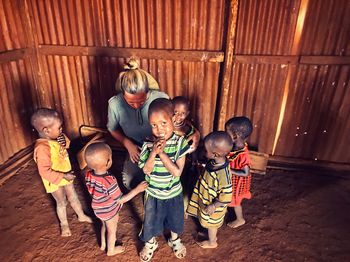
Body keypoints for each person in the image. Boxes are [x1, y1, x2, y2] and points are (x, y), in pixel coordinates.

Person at [138, 98, 190, 261]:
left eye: (163, 123)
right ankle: (150, 243)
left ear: (173, 120)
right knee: (151, 221)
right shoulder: (147, 144)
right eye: (154, 125)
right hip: (153, 194)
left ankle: (174, 240)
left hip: (173, 193)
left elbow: (176, 173)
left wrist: (161, 153)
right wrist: (153, 152)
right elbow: (146, 169)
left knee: (175, 220)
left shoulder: (180, 143)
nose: (159, 130)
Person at [107, 59, 168, 190]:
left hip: (159, 144)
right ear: (123, 93)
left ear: (148, 90)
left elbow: (173, 123)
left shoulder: (160, 99)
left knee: (162, 180)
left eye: (141, 101)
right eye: (130, 102)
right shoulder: (115, 103)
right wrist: (128, 144)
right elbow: (112, 129)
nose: (136, 106)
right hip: (135, 147)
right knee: (130, 183)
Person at [31, 108, 92, 237]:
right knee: (61, 202)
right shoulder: (42, 148)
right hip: (54, 180)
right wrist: (63, 175)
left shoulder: (56, 138)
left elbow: (66, 146)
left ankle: (81, 215)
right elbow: (44, 171)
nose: (61, 130)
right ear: (46, 131)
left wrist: (63, 138)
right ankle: (64, 225)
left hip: (66, 173)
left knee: (73, 196)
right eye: (59, 128)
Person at [84, 142, 148, 256]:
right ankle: (111, 250)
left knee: (104, 225)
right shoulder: (109, 181)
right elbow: (120, 200)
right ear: (108, 162)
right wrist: (137, 189)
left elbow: (91, 190)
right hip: (109, 211)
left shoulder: (88, 174)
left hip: (98, 208)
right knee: (112, 231)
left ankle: (103, 244)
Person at [187, 131, 233, 249]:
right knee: (206, 219)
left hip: (214, 207)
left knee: (212, 224)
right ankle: (206, 230)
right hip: (205, 198)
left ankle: (212, 242)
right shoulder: (215, 161)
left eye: (206, 150)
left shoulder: (223, 175)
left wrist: (214, 206)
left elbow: (227, 196)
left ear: (215, 154)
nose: (204, 151)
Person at [171, 96, 201, 218]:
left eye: (182, 114)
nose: (178, 117)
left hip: (183, 164)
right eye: (175, 112)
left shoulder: (189, 129)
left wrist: (193, 159)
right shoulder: (165, 124)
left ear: (187, 114)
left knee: (183, 186)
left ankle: (183, 209)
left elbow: (192, 148)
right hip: (168, 162)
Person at [225, 116, 253, 228]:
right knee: (227, 195)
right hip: (232, 180)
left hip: (238, 183)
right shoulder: (235, 147)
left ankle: (240, 219)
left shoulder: (243, 155)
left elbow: (246, 173)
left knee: (235, 201)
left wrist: (230, 170)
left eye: (227, 133)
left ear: (235, 136)